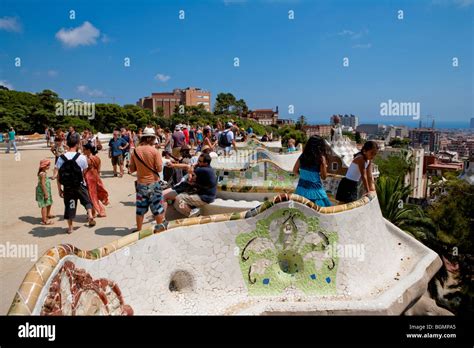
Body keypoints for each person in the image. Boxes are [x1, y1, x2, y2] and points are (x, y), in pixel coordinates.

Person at [56, 133, 96, 234]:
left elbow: (58, 175)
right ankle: (90, 216)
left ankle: (70, 227)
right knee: (86, 200)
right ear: (77, 144)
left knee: (70, 205)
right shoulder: (82, 157)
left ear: (67, 144)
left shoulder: (61, 157)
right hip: (79, 184)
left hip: (68, 186)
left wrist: (59, 189)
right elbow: (84, 172)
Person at [129, 128, 166, 233]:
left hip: (141, 184)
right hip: (154, 183)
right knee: (158, 208)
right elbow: (159, 169)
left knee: (140, 210)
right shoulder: (154, 151)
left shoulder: (135, 151)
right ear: (151, 138)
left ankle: (139, 230)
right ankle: (159, 229)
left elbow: (131, 169)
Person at [164, 153, 217, 217]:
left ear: (206, 163)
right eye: (198, 160)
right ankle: (190, 209)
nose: (197, 162)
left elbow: (189, 171)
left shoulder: (203, 170)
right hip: (203, 193)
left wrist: (192, 166)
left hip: (205, 197)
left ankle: (192, 214)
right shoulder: (205, 167)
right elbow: (187, 166)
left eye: (200, 161)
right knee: (177, 197)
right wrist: (173, 165)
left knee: (178, 199)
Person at [293, 136, 331, 207]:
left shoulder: (303, 156)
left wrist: (304, 176)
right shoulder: (321, 158)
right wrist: (324, 164)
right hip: (315, 191)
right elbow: (324, 177)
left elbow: (295, 170)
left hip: (301, 189)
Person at [83, 143, 109, 218]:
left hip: (89, 178)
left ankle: (98, 211)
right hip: (96, 176)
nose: (83, 151)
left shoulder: (88, 159)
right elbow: (99, 169)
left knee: (91, 196)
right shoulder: (97, 158)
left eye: (84, 150)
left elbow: (84, 170)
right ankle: (97, 211)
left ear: (88, 150)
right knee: (95, 195)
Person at [36, 159, 54, 225]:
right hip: (43, 192)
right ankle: (44, 220)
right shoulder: (42, 174)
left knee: (49, 203)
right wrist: (46, 193)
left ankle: (48, 214)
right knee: (44, 205)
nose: (49, 166)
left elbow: (44, 181)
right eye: (48, 165)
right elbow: (43, 184)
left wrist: (50, 178)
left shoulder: (43, 173)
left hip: (47, 190)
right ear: (44, 166)